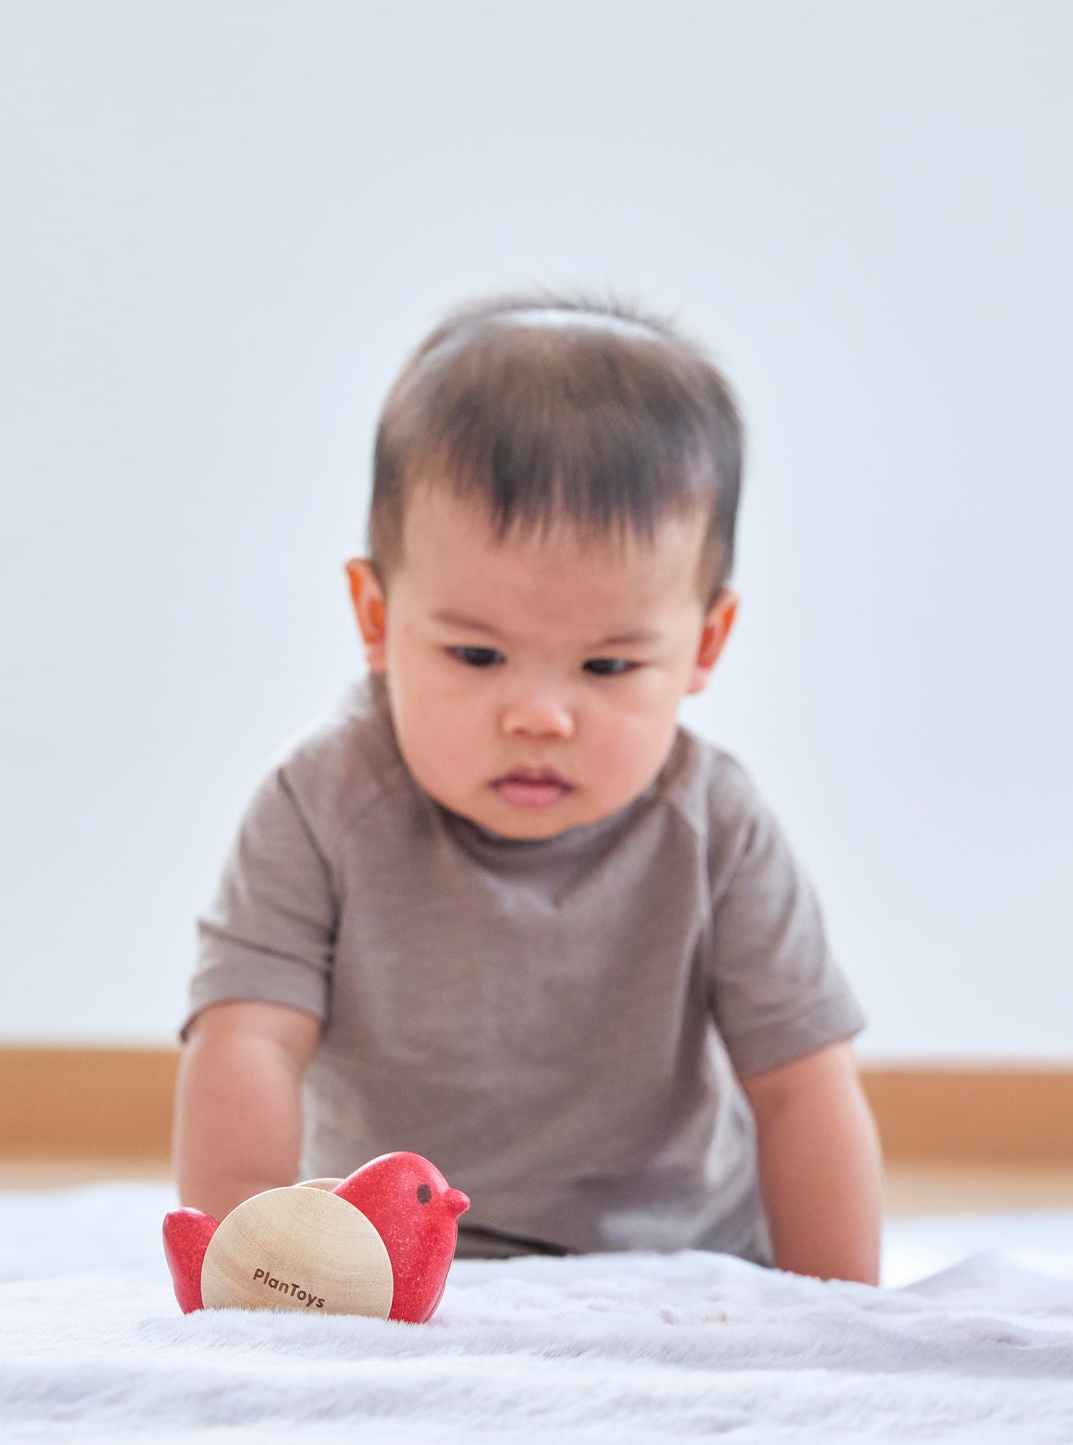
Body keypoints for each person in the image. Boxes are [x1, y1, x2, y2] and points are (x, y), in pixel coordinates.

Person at [173, 292, 883, 1282]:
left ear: (702, 645)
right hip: (387, 1263)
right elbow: (246, 1038)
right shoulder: (322, 802)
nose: (539, 715)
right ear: (374, 616)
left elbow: (802, 1085)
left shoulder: (713, 821)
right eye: (476, 653)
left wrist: (840, 1309)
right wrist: (250, 1266)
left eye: (606, 667)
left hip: (680, 1255)